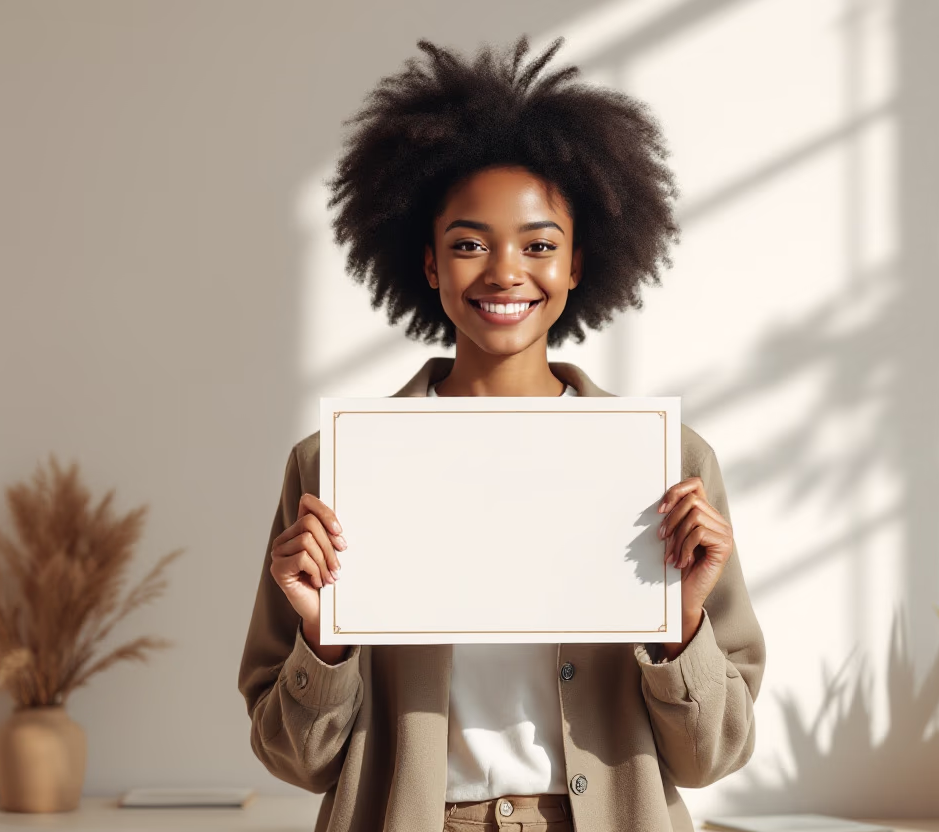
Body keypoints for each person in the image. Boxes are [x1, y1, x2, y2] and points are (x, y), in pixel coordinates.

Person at [238, 34, 766, 832]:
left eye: (539, 245)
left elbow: (711, 757)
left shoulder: (667, 464)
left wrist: (683, 623)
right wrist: (324, 636)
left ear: (578, 263)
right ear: (429, 263)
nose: (504, 271)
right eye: (468, 244)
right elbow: (296, 762)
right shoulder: (337, 466)